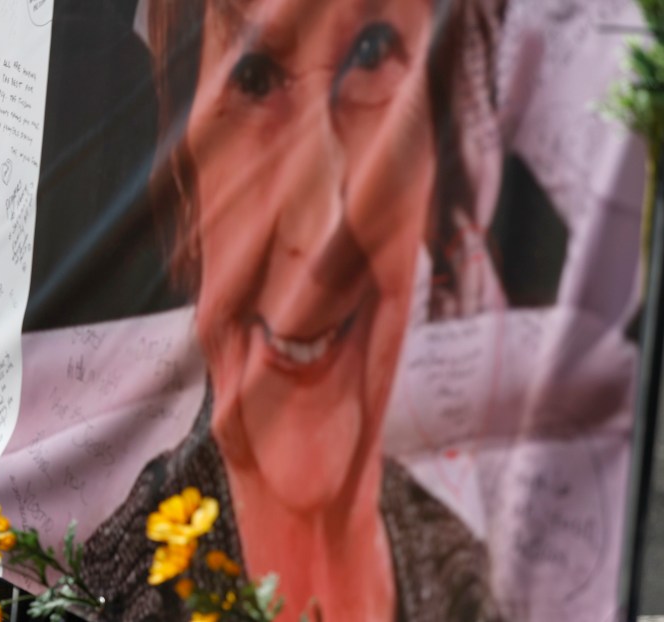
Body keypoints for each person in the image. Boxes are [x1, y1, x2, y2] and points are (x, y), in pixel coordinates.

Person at [81, 0, 507, 620]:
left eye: (371, 58)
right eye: (255, 78)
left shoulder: (472, 577)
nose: (325, 228)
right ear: (183, 188)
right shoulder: (121, 588)